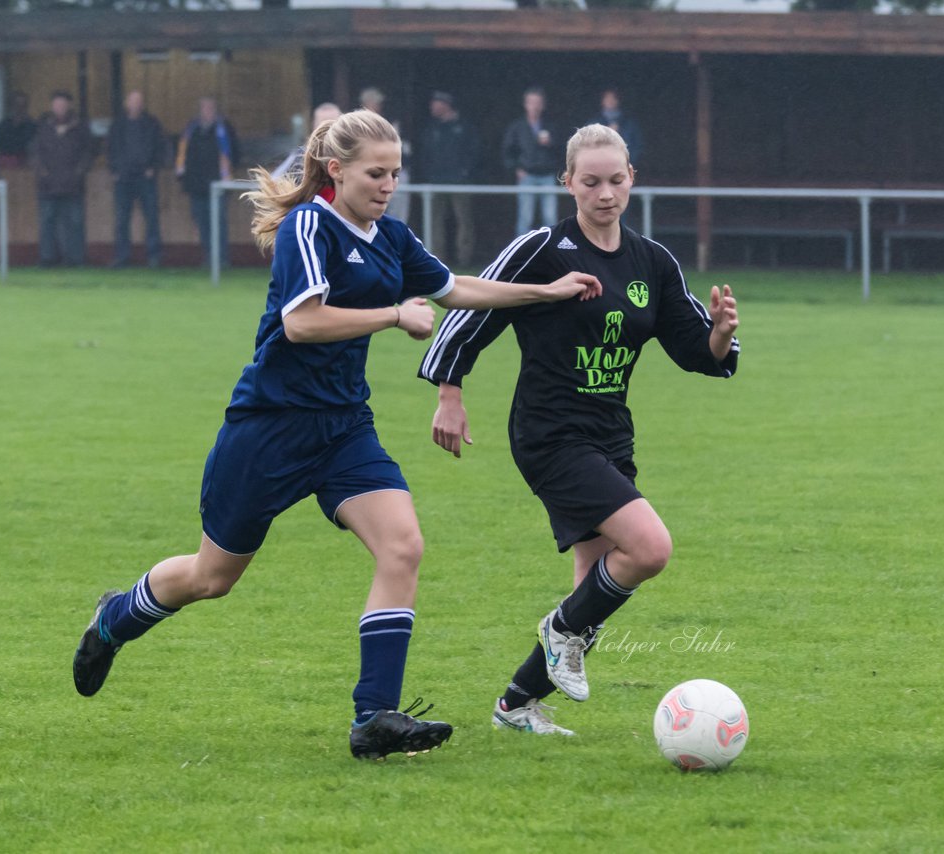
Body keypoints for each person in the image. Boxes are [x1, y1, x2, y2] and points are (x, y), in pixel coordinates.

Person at [71, 109, 601, 760]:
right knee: (212, 577)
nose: (388, 185)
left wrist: (545, 291)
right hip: (269, 427)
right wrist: (393, 315)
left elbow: (454, 289)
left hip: (344, 427)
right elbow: (303, 323)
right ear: (335, 170)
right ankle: (113, 619)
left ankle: (374, 717)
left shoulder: (390, 236)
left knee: (403, 546)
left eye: (396, 174)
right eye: (375, 173)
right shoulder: (307, 227)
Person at [418, 123, 739, 737]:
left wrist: (720, 334)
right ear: (567, 183)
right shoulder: (541, 248)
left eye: (616, 181)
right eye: (590, 182)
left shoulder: (653, 261)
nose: (605, 194)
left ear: (632, 180)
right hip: (549, 435)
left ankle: (518, 703)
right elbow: (470, 310)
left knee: (593, 585)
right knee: (649, 549)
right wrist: (449, 392)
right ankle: (559, 632)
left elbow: (695, 348)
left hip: (610, 435)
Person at [413, 91, 478, 268]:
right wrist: (427, 175)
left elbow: (474, 152)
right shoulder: (430, 128)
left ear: (446, 104)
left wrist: (465, 172)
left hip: (459, 182)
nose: (432, 107)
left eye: (436, 103)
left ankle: (464, 261)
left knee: (463, 221)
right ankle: (436, 260)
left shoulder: (464, 127)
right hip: (435, 182)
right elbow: (424, 155)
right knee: (435, 221)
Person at [31, 90, 93, 267]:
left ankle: (76, 259)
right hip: (47, 185)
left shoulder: (80, 127)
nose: (59, 107)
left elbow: (88, 153)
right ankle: (48, 259)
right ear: (52, 106)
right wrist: (41, 171)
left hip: (73, 185)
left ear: (69, 106)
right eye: (57, 104)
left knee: (75, 223)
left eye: (63, 104)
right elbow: (34, 152)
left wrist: (79, 172)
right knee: (47, 223)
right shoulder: (43, 126)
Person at [175, 96, 239, 267]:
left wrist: (227, 176)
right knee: (202, 222)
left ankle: (222, 258)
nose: (207, 111)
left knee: (219, 223)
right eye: (204, 107)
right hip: (197, 185)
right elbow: (183, 156)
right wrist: (183, 177)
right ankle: (209, 257)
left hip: (218, 184)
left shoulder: (224, 129)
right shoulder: (191, 129)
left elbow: (233, 153)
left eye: (211, 107)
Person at [107, 89, 164, 269]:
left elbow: (160, 148)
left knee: (152, 217)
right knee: (122, 219)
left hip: (145, 177)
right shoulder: (117, 125)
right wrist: (114, 170)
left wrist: (153, 168)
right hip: (123, 177)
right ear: (126, 103)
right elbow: (109, 149)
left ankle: (154, 256)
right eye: (133, 101)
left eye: (139, 101)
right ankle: (122, 256)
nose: (136, 104)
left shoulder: (152, 124)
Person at [502, 86, 561, 234]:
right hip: (527, 175)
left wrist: (551, 143)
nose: (534, 106)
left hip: (547, 176)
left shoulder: (551, 126)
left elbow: (563, 150)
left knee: (550, 218)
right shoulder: (517, 127)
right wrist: (516, 168)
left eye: (538, 102)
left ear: (543, 105)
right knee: (525, 219)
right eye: (531, 102)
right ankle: (521, 254)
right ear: (525, 104)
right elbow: (507, 151)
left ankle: (552, 254)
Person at [358, 87, 410, 222]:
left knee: (396, 214)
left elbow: (402, 150)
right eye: (375, 102)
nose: (377, 106)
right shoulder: (355, 125)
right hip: (368, 173)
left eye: (378, 103)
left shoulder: (390, 124)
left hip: (391, 172)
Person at [270, 102, 340, 180]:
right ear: (314, 125)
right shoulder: (301, 155)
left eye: (331, 123)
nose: (327, 129)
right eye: (323, 124)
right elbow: (274, 181)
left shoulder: (350, 154)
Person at [590, 87, 644, 166]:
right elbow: (585, 146)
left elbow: (638, 145)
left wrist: (627, 162)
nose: (610, 100)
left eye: (613, 98)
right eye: (607, 98)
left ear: (618, 100)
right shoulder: (593, 123)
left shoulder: (629, 123)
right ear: (602, 101)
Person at [0, 91, 36, 168]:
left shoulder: (33, 126)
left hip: (26, 167)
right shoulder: (3, 125)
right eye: (17, 104)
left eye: (23, 105)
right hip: (5, 166)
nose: (20, 108)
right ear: (12, 106)